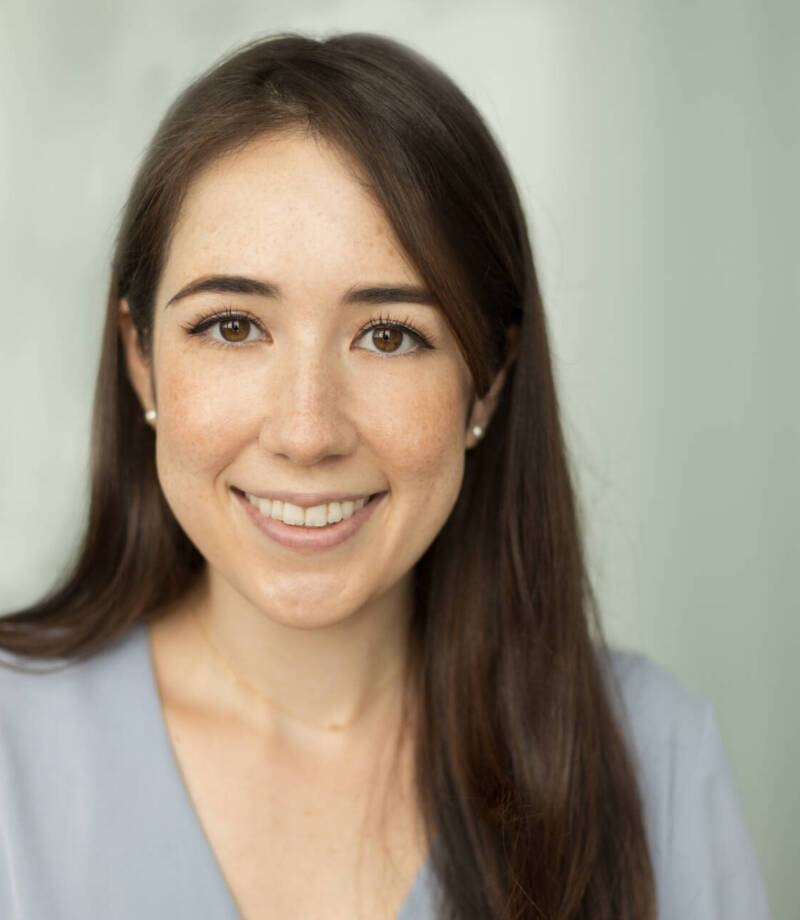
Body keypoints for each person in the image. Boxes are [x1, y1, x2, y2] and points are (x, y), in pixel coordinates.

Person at [0, 32, 771, 920]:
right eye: (232, 326)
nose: (306, 431)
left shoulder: (655, 759)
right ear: (140, 358)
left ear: (488, 374)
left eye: (390, 335)